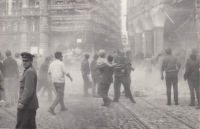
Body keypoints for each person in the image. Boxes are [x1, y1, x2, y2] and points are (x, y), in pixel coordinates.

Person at [16, 52, 39, 129]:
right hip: (30, 104)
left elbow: (28, 89)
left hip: (26, 105)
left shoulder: (29, 72)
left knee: (21, 125)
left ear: (31, 61)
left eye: (27, 61)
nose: (24, 63)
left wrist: (22, 103)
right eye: (23, 61)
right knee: (30, 126)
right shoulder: (28, 70)